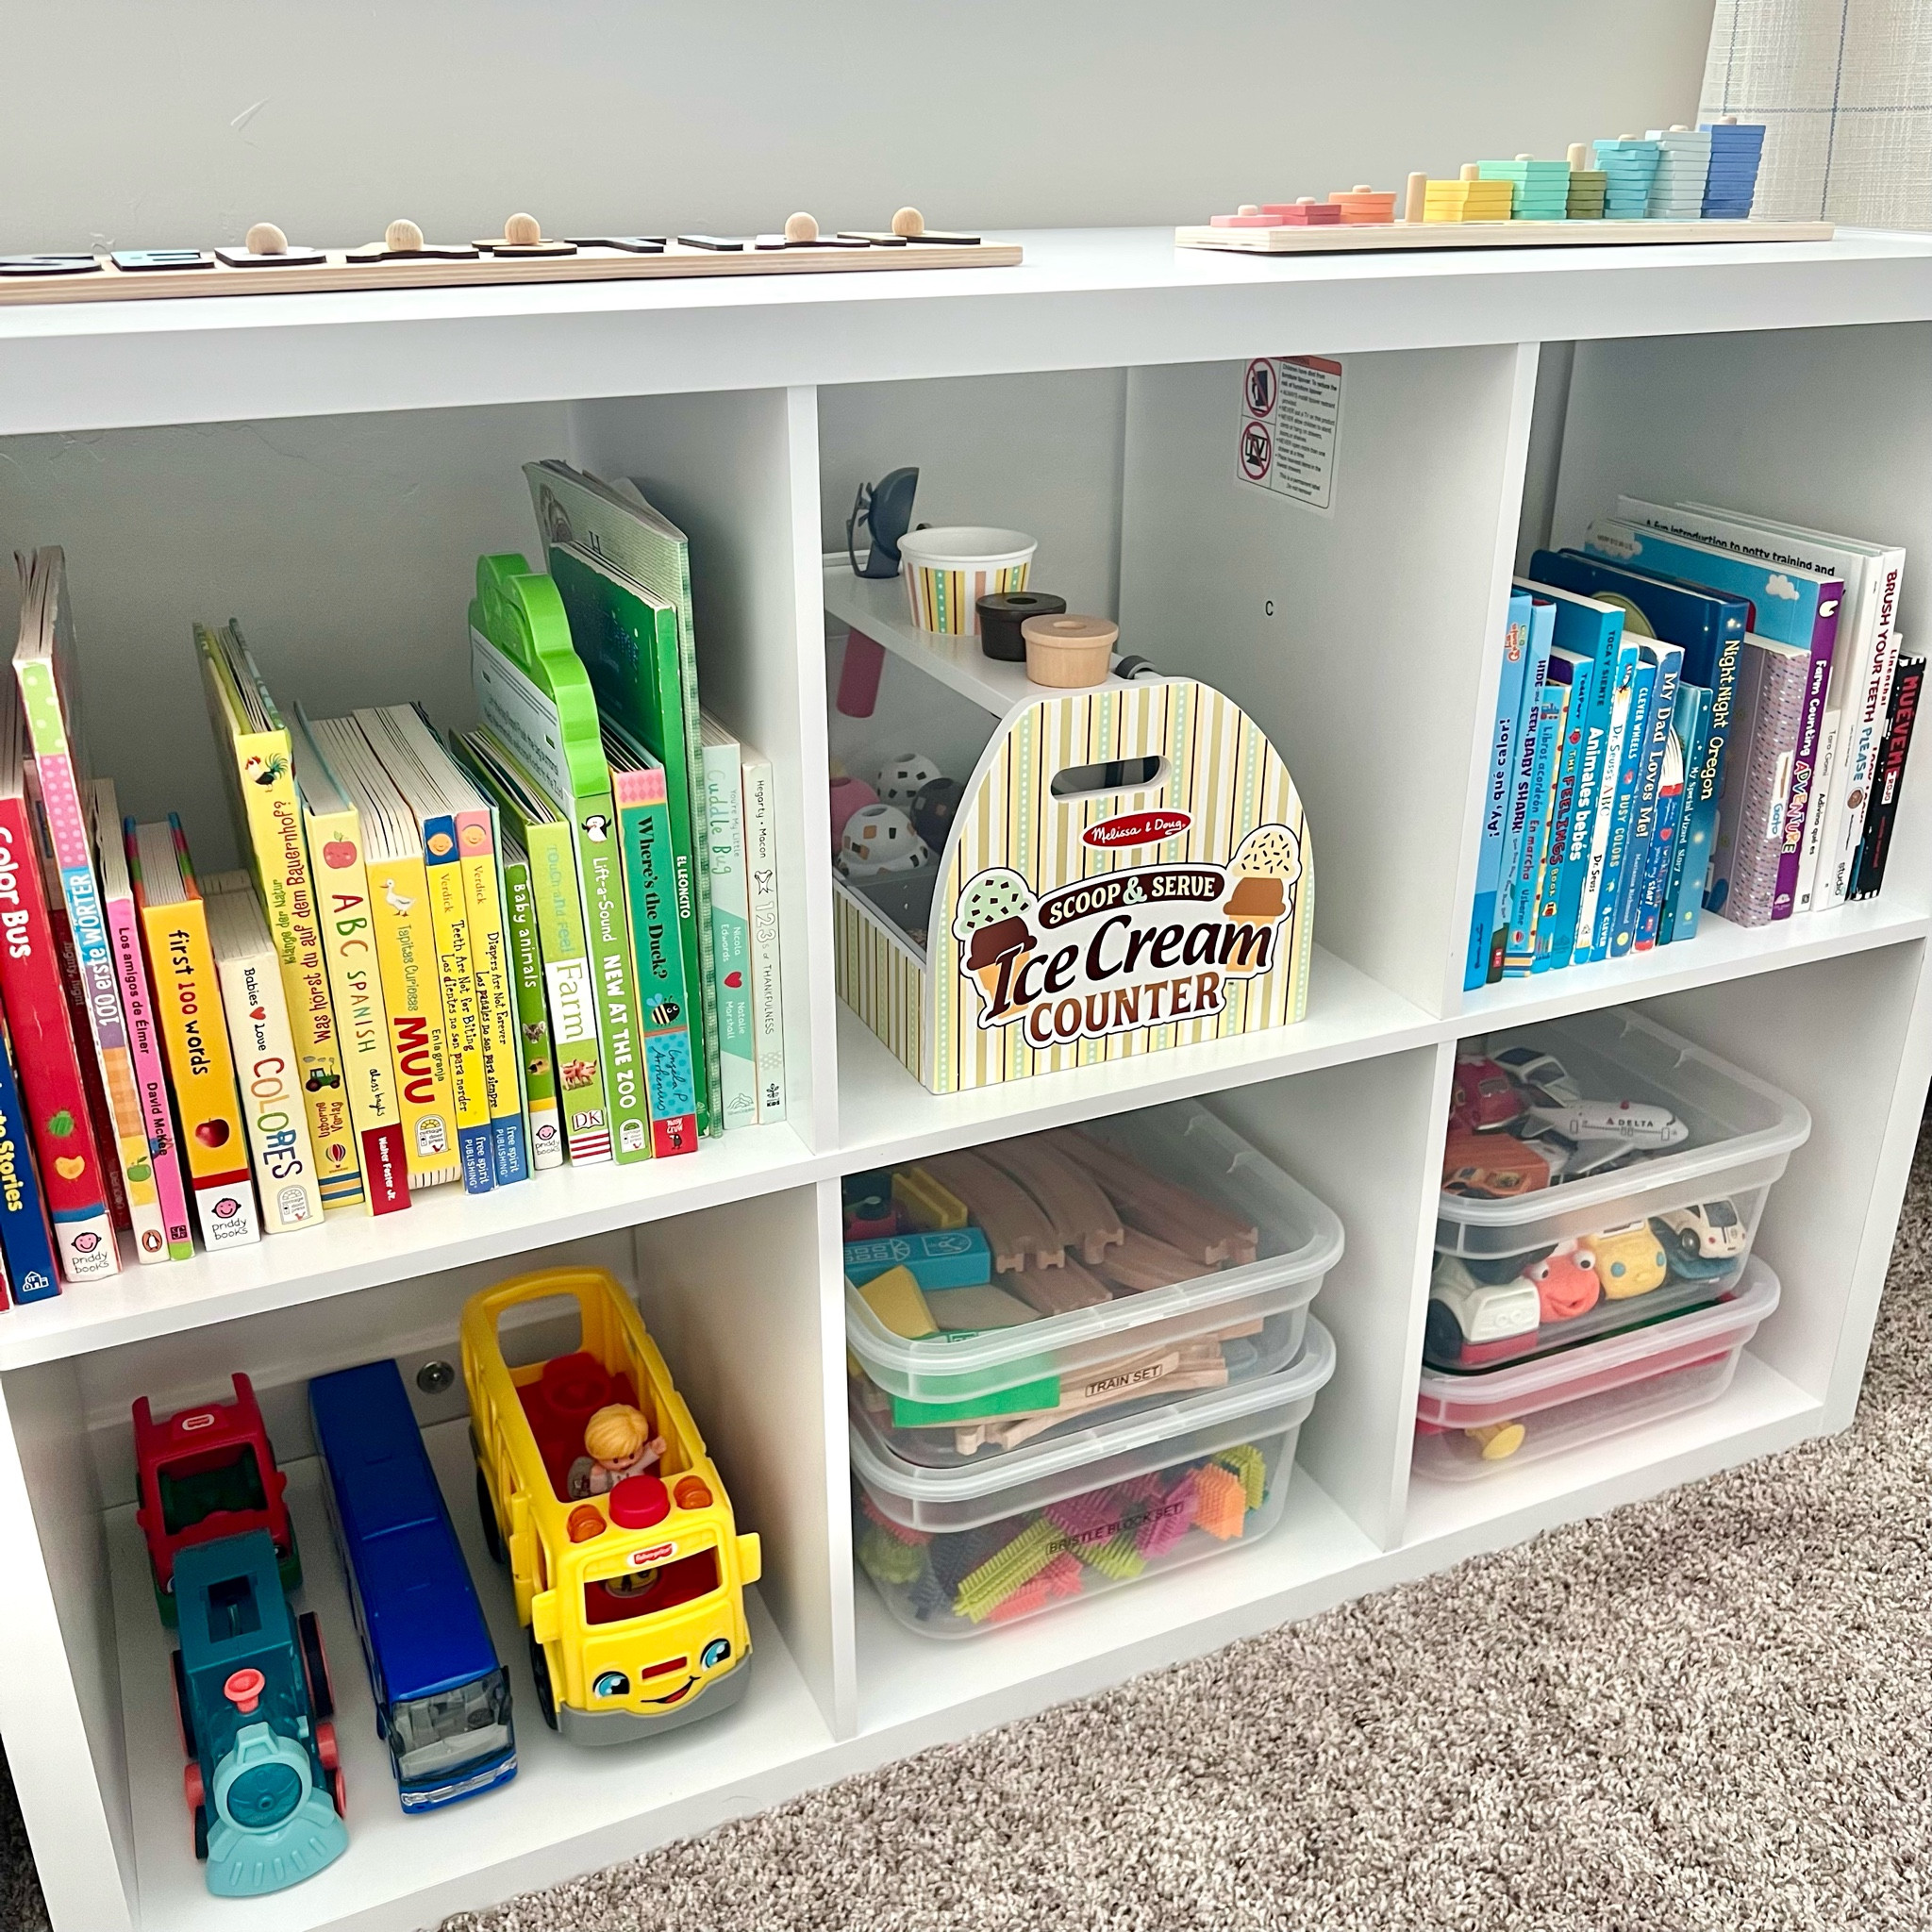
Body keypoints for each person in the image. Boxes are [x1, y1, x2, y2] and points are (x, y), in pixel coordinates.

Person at [567, 1403, 667, 1498]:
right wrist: (598, 1476)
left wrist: (653, 1449)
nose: (625, 1464)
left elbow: (642, 1460)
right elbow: (597, 1491)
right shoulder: (605, 1474)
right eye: (615, 1460)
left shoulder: (635, 1466)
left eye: (631, 1456)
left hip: (641, 1492)